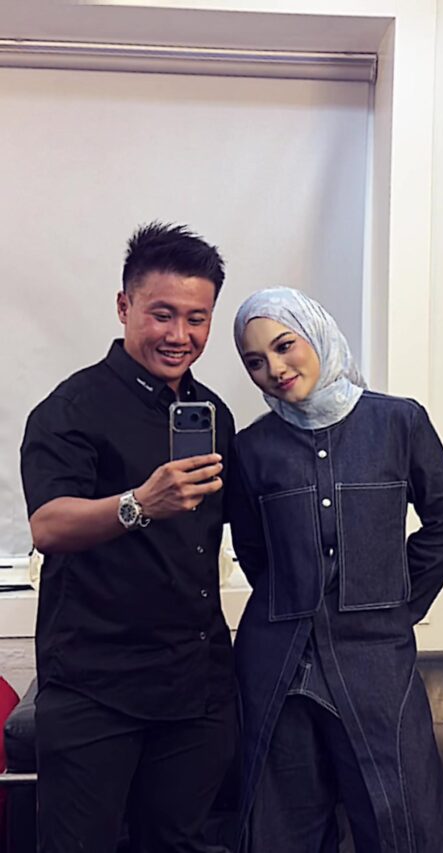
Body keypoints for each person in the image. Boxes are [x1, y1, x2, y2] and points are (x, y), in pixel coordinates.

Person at [229, 287, 443, 853]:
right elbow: (256, 554)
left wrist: (393, 602)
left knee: (404, 828)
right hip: (279, 672)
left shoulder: (399, 422)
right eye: (255, 361)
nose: (275, 369)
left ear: (316, 335)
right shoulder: (251, 449)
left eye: (284, 346)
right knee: (282, 835)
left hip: (377, 665)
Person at [20, 222, 237, 853]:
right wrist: (140, 504)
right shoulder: (71, 408)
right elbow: (48, 525)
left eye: (197, 318)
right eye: (162, 314)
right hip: (95, 689)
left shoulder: (213, 415)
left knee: (182, 843)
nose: (179, 335)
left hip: (196, 687)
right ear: (124, 306)